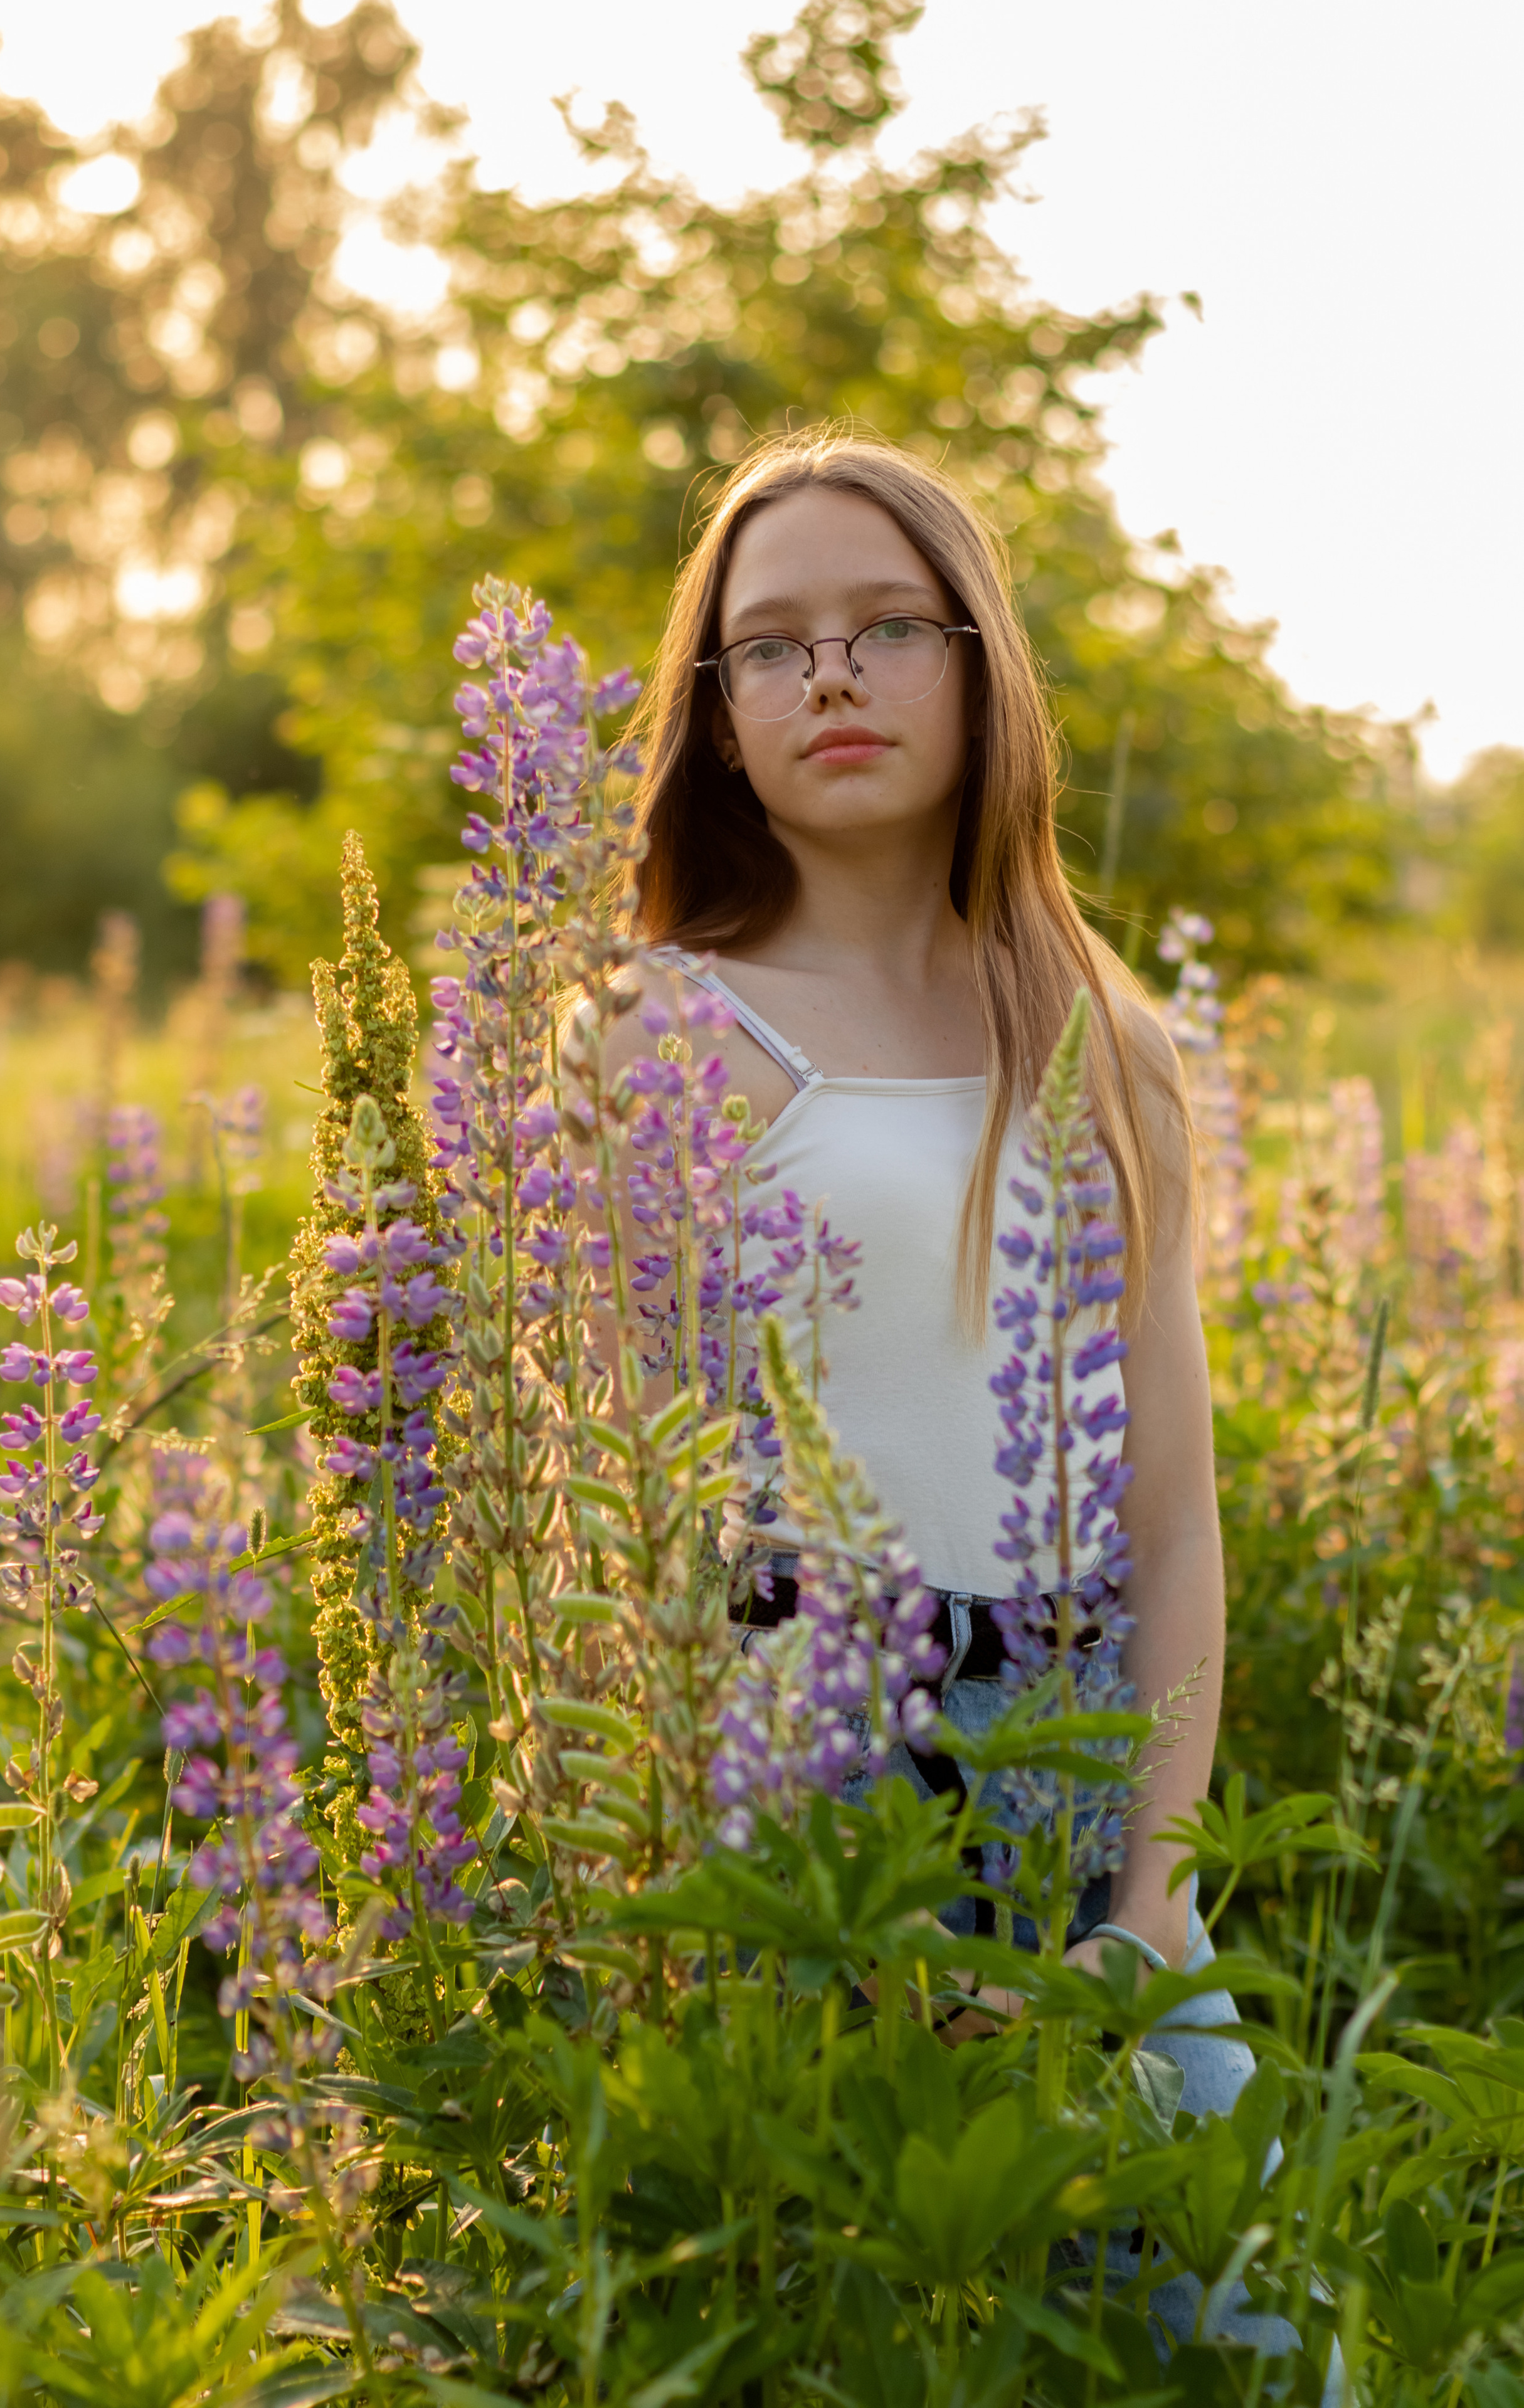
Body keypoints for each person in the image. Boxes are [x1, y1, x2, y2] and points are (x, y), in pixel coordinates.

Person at [600, 425, 1301, 2361]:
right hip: (794, 1777)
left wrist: (1149, 1909)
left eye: (885, 627)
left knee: (1223, 2346)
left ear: (980, 664)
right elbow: (617, 1514)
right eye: (770, 644)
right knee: (851, 2341)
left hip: (1078, 1764)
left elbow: (1171, 1520)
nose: (830, 675)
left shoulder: (1100, 1031)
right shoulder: (660, 1029)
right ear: (716, 716)